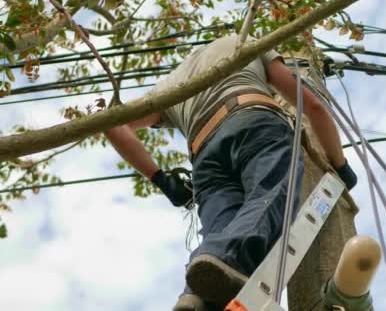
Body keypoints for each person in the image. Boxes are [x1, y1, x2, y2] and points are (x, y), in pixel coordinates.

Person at [104, 35, 357, 311]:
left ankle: (196, 298)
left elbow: (114, 125)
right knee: (270, 195)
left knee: (218, 233)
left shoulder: (171, 83)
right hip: (256, 125)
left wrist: (163, 181)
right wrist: (340, 164)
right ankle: (227, 256)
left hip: (205, 156)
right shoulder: (242, 43)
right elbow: (313, 106)